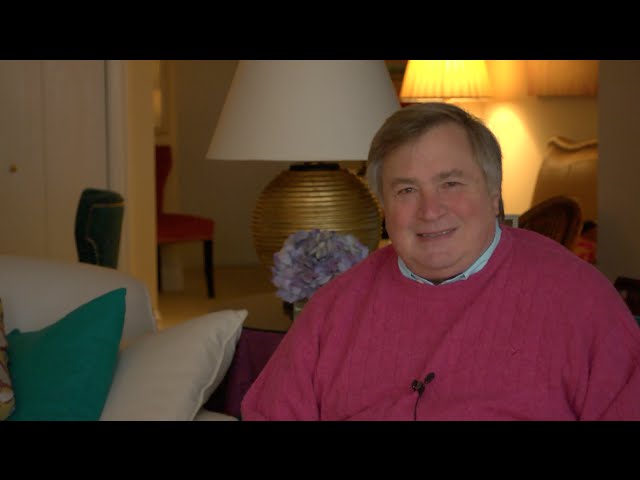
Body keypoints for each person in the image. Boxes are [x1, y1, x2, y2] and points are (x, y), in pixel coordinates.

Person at [241, 102, 640, 420]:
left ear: (494, 193)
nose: (430, 210)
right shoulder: (333, 309)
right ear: (385, 208)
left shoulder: (580, 300)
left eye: (450, 183)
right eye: (406, 190)